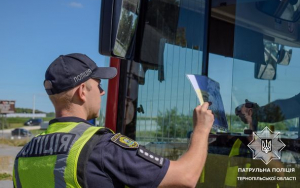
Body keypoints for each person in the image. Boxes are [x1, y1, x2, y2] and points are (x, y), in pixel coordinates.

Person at [13, 53, 214, 188]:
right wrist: (201, 130)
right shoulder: (100, 147)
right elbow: (186, 177)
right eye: (98, 85)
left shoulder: (23, 155)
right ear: (83, 91)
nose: (102, 92)